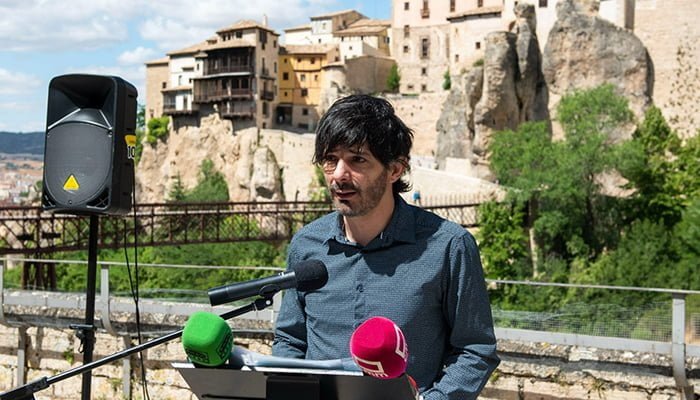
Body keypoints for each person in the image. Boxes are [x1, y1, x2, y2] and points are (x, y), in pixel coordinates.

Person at [272, 95, 499, 399]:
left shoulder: (449, 246)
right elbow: (290, 339)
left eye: (357, 160)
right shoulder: (306, 245)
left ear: (395, 170)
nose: (338, 175)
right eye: (330, 159)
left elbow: (475, 350)